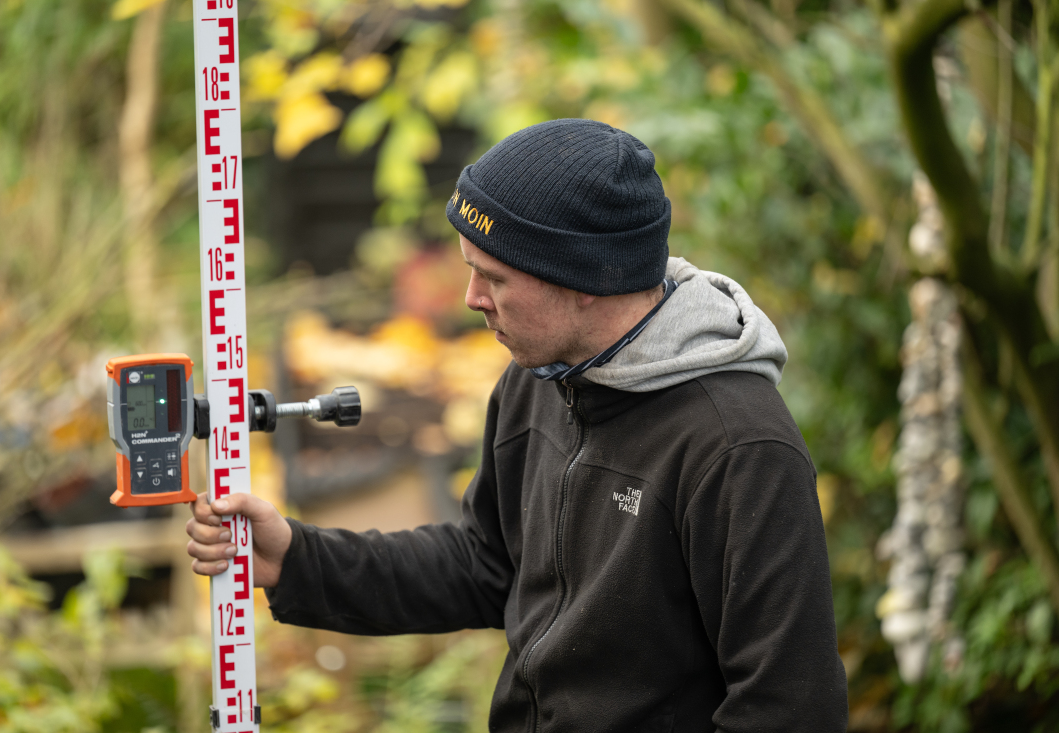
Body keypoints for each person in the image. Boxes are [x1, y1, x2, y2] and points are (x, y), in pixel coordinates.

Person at [186, 118, 848, 731]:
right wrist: (299, 559)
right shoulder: (539, 379)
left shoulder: (738, 447)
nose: (472, 299)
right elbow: (484, 563)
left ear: (585, 277)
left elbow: (791, 706)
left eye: (494, 277)